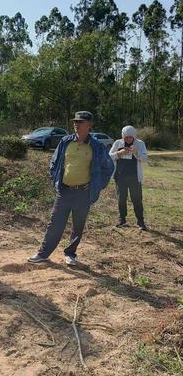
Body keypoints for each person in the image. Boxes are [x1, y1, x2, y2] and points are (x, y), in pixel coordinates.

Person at [28, 111, 114, 266]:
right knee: (55, 223)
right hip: (64, 191)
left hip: (83, 193)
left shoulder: (97, 146)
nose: (76, 125)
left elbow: (108, 167)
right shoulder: (65, 142)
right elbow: (54, 162)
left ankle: (70, 254)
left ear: (89, 125)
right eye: (75, 122)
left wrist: (97, 185)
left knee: (78, 225)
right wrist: (55, 179)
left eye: (80, 122)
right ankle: (43, 253)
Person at [109, 125, 148, 230]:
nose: (128, 139)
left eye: (131, 137)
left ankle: (140, 221)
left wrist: (136, 152)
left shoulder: (140, 144)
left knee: (137, 199)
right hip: (120, 176)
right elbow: (109, 156)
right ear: (123, 136)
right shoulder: (118, 143)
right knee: (121, 199)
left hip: (134, 177)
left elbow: (145, 158)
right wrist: (118, 153)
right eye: (126, 137)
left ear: (134, 136)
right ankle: (122, 220)